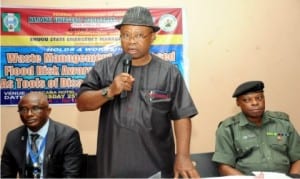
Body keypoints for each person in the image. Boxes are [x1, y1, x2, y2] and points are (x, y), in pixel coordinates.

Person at [76, 6, 200, 178]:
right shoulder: (104, 68)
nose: (132, 41)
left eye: (139, 35)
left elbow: (182, 115)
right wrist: (109, 91)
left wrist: (183, 156)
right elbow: (82, 103)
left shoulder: (168, 72)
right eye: (126, 35)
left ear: (153, 37)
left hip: (157, 167)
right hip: (113, 168)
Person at [212, 81, 300, 177]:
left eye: (259, 98)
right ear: (238, 103)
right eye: (247, 100)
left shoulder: (283, 124)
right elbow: (223, 167)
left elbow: (298, 158)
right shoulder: (228, 129)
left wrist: (293, 177)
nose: (255, 103)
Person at [1, 92, 83, 178]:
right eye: (23, 110)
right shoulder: (13, 137)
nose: (29, 114)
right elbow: (5, 175)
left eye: (36, 108)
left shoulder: (67, 136)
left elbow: (71, 175)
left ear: (48, 111)